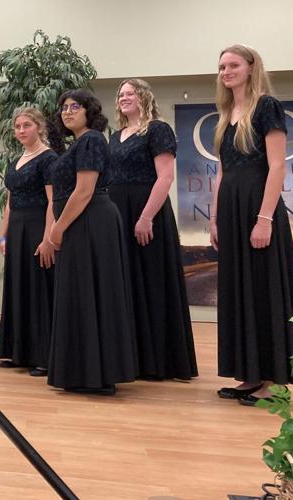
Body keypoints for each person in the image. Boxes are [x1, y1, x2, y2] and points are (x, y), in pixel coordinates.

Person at [210, 45, 293, 406]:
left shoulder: (266, 106)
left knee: (264, 288)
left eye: (233, 65)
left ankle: (271, 379)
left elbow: (278, 166)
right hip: (232, 213)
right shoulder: (225, 114)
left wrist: (264, 218)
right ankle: (250, 374)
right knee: (240, 290)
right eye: (221, 66)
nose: (226, 71)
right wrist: (216, 217)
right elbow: (222, 172)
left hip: (257, 209)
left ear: (251, 68)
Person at [40, 89, 138, 394]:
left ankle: (98, 373)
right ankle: (83, 370)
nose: (68, 112)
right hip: (82, 222)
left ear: (88, 111)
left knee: (91, 292)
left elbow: (83, 191)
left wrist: (57, 228)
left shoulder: (92, 139)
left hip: (91, 222)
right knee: (79, 293)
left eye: (75, 107)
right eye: (64, 108)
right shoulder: (78, 143)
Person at [109, 79, 198, 381]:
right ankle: (131, 356)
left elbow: (165, 178)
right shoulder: (114, 136)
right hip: (118, 212)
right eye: (121, 94)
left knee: (151, 282)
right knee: (126, 283)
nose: (124, 98)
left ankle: (159, 360)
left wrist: (146, 217)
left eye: (130, 93)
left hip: (148, 211)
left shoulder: (158, 130)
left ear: (144, 97)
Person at [0, 107, 57, 377]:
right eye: (17, 127)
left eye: (26, 125)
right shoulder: (15, 160)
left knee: (39, 289)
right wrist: (4, 234)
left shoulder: (49, 158)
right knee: (17, 288)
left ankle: (42, 355)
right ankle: (17, 351)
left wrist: (48, 238)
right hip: (16, 229)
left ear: (39, 127)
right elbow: (9, 202)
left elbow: (53, 201)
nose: (21, 131)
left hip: (38, 226)